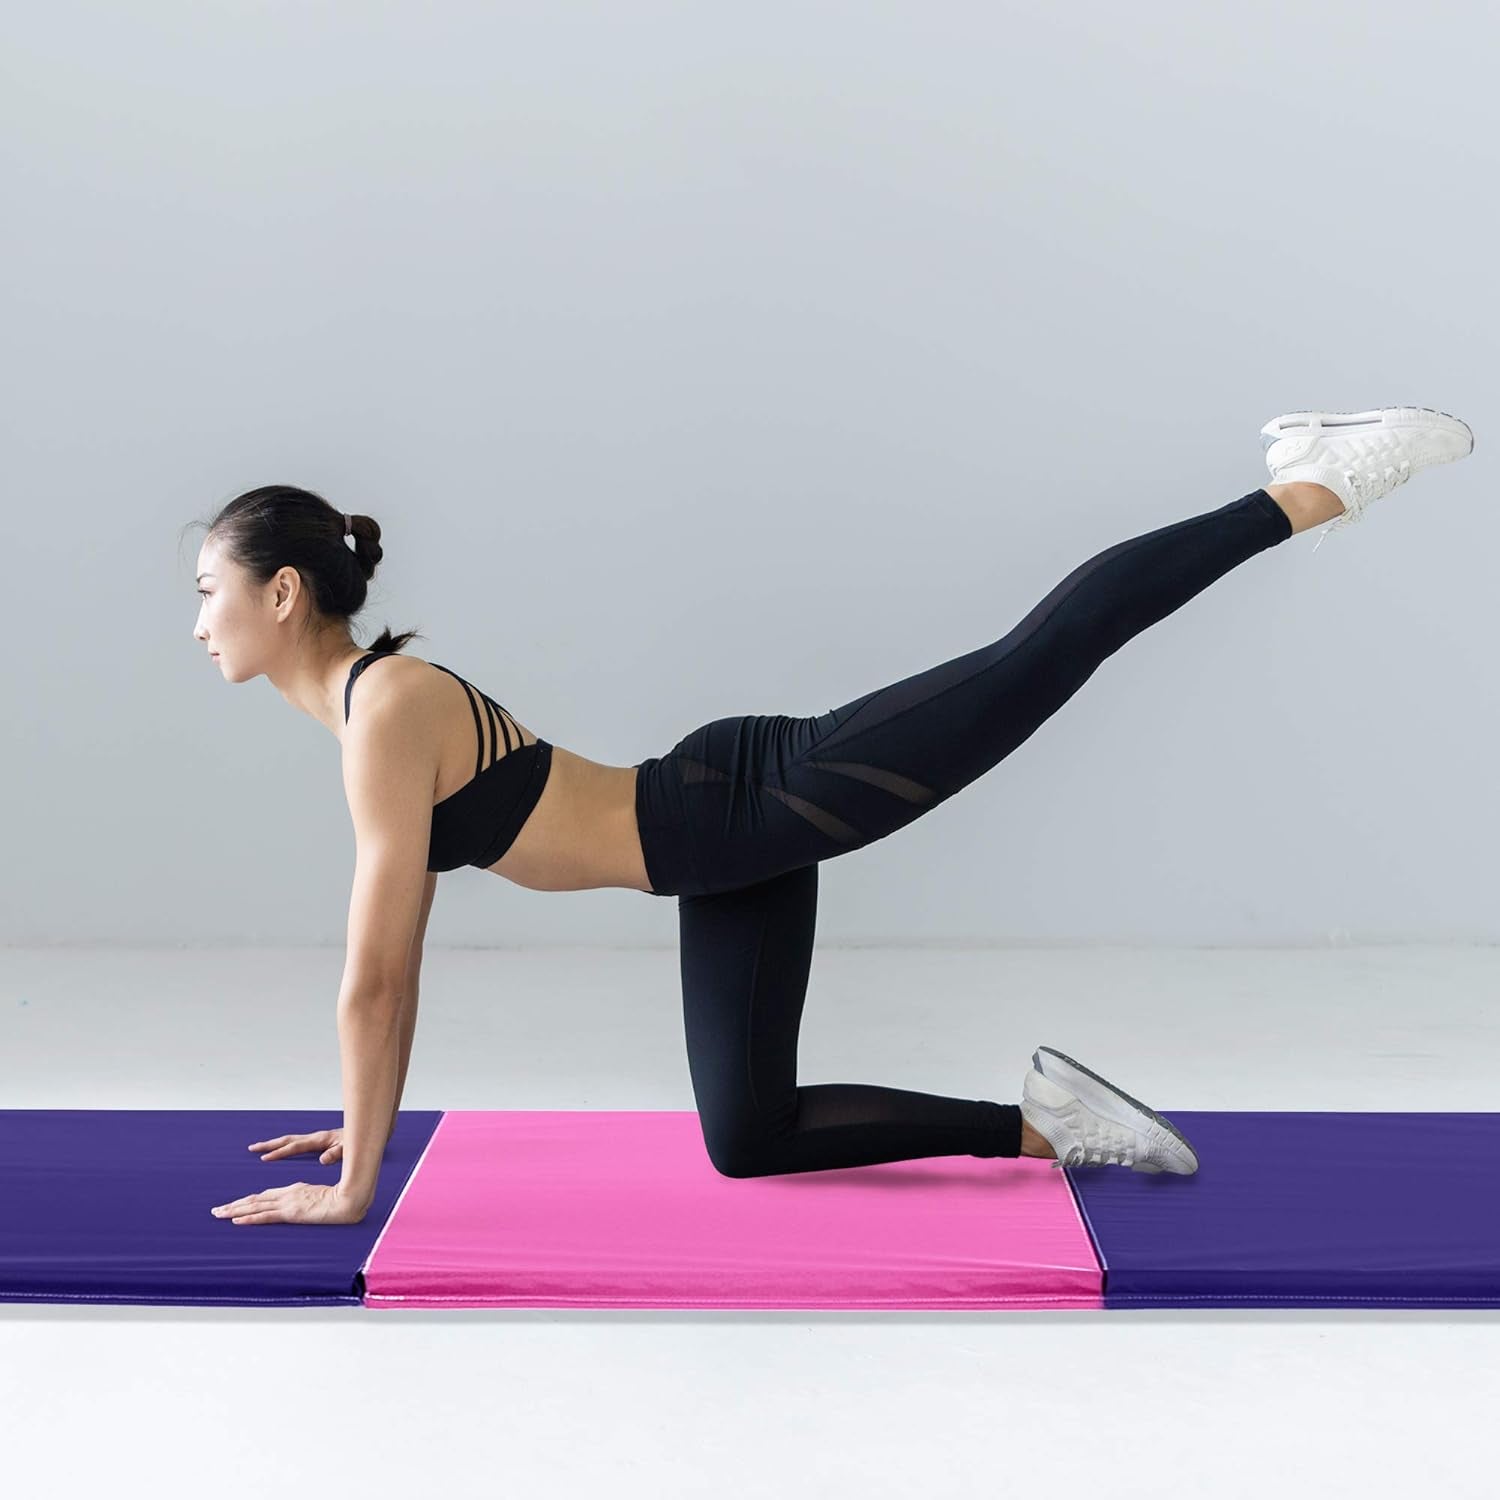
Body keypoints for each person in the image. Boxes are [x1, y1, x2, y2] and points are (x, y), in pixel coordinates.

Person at [190, 405, 1474, 1188]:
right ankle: (1048, 1125)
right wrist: (358, 1135)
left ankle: (1311, 482)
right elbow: (384, 978)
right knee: (747, 1138)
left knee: (1036, 658)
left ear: (283, 593)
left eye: (211, 591)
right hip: (711, 847)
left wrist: (359, 1173)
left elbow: (378, 979)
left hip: (750, 795)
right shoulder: (371, 716)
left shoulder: (387, 710)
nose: (200, 619)